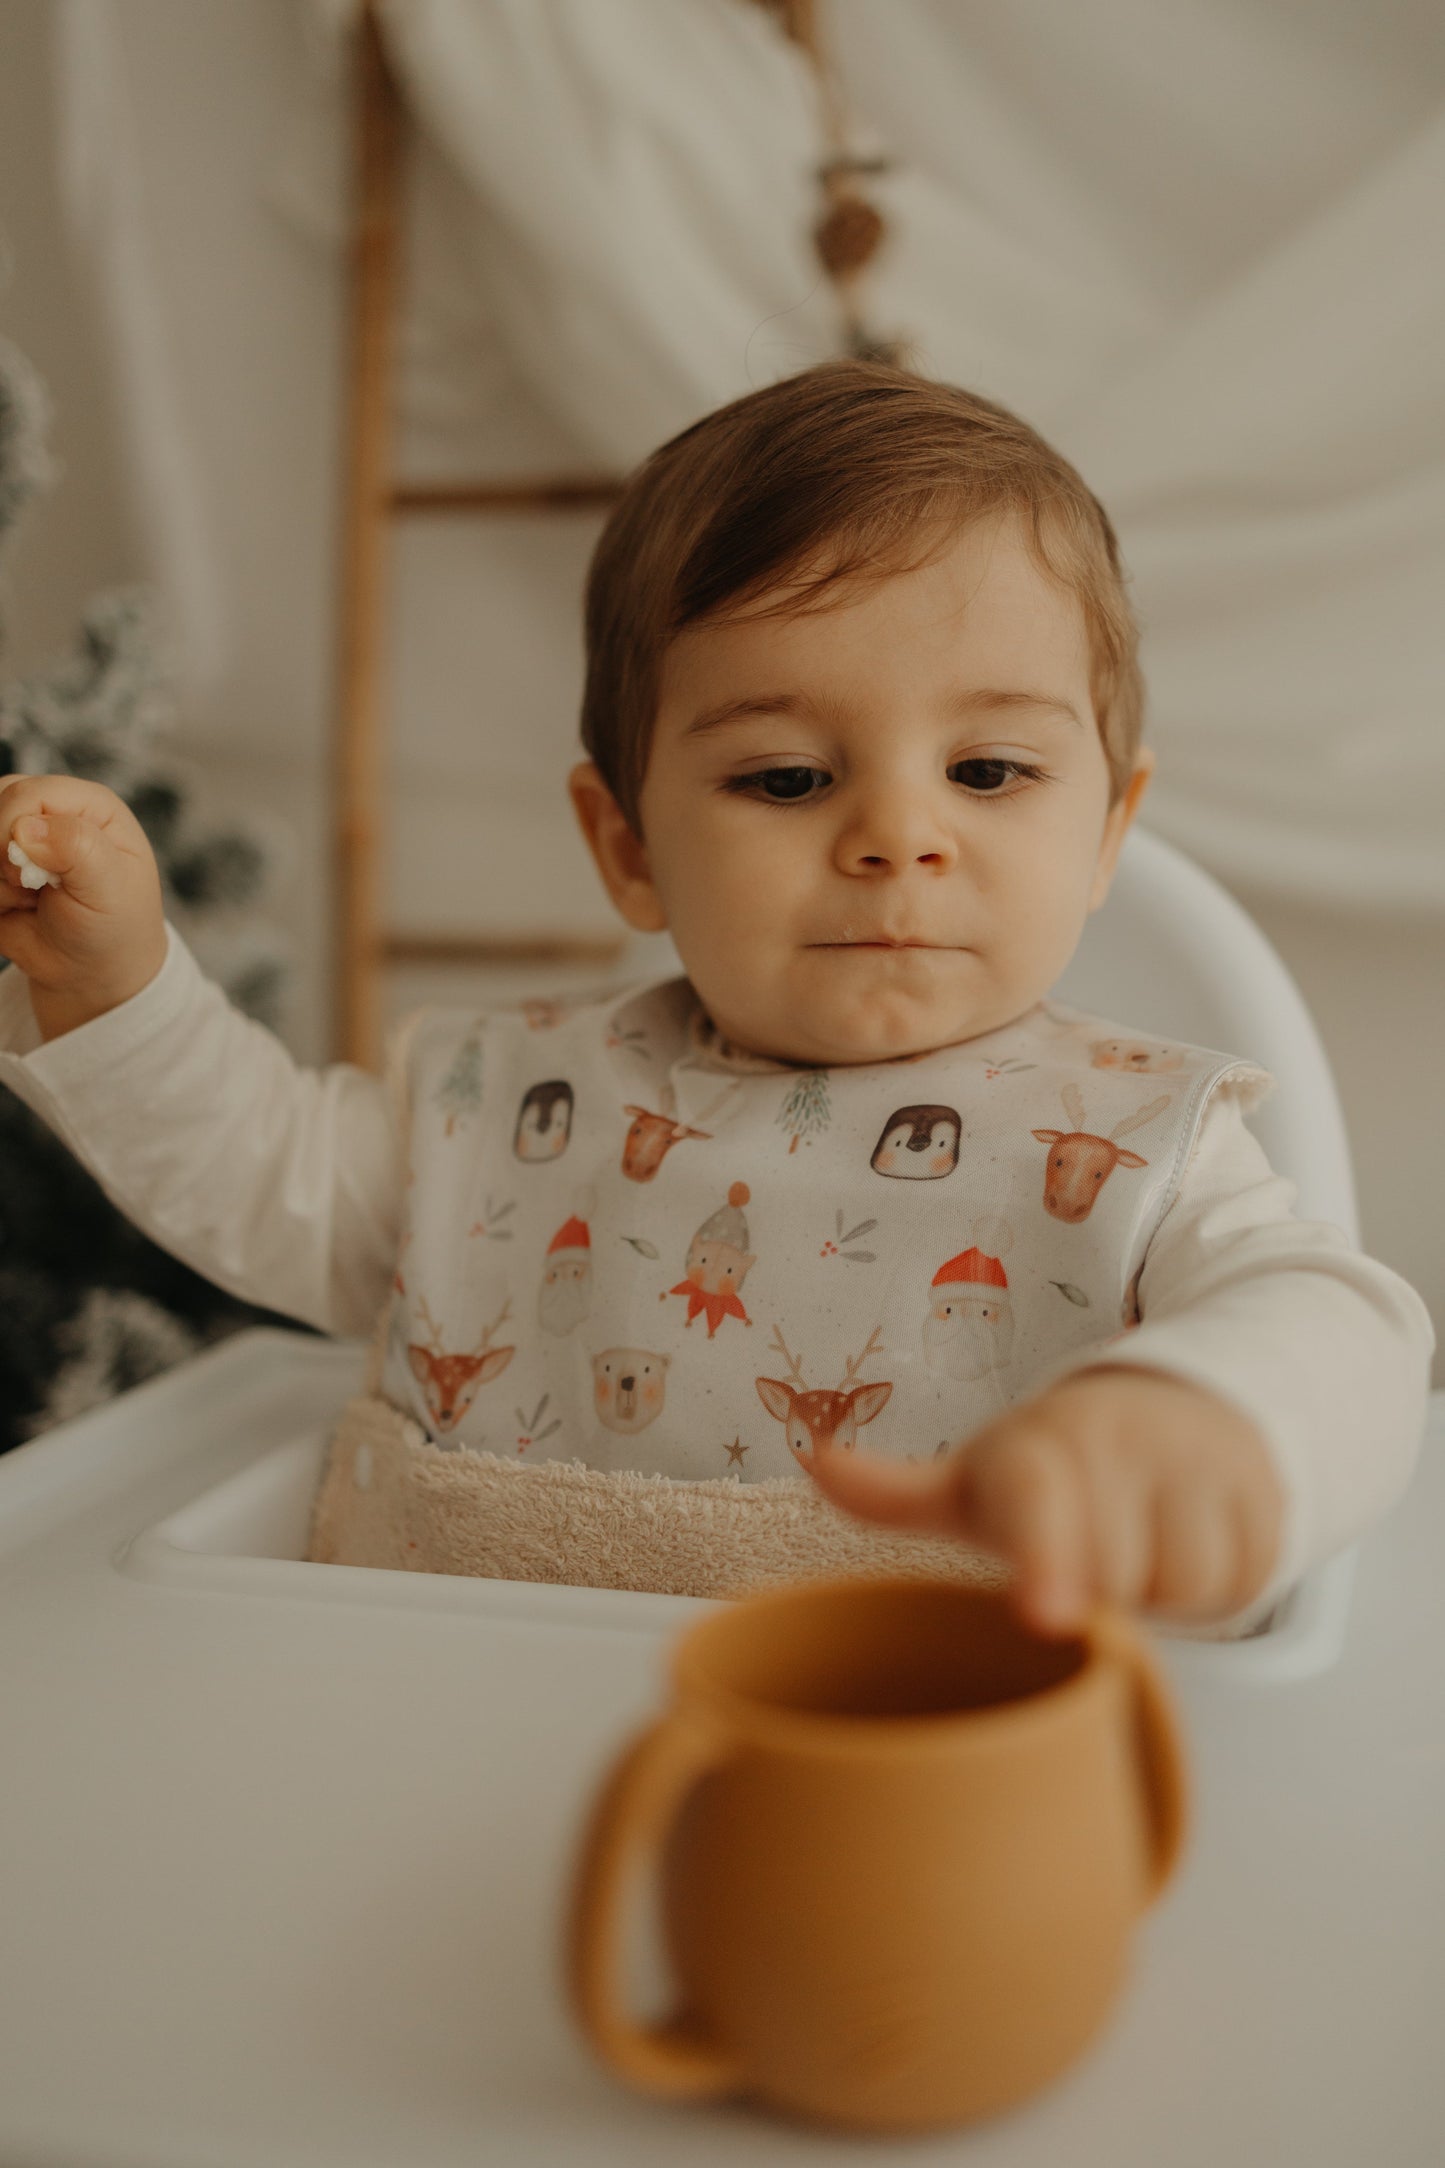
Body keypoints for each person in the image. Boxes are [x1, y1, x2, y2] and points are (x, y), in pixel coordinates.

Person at [0, 362, 1431, 1637]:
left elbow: (1342, 1328)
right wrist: (121, 990)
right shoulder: (508, 1115)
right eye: (788, 779)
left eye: (987, 772)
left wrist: (1202, 1422)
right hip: (442, 1732)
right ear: (627, 845)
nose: (896, 836)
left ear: (1107, 829)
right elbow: (263, 1177)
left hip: (919, 1779)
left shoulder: (1135, 1150)